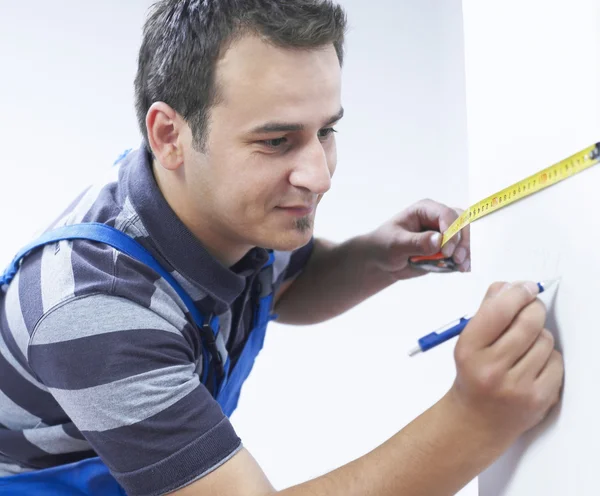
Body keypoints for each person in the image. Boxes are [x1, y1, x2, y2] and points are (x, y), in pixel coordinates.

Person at [0, 1, 564, 495]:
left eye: (326, 131)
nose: (318, 177)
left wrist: (374, 258)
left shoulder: (213, 195)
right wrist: (476, 420)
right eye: (277, 141)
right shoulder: (92, 311)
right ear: (169, 135)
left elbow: (284, 287)